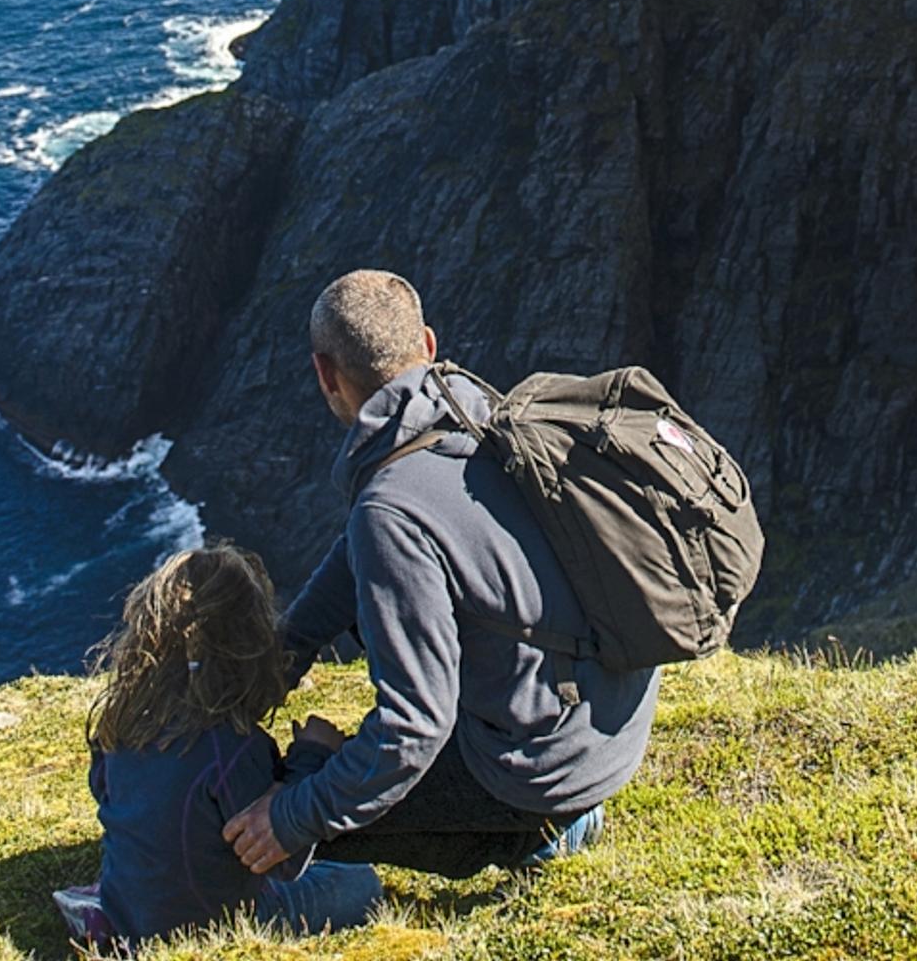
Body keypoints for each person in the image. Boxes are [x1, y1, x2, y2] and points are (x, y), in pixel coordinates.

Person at [224, 270, 655, 881]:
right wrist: (283, 657)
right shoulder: (485, 420)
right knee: (333, 788)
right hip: (610, 722)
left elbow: (412, 727)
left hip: (548, 771)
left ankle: (545, 835)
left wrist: (293, 815)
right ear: (427, 345)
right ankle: (561, 810)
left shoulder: (390, 507)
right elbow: (359, 554)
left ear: (326, 375)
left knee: (295, 818)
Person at [72, 544, 383, 946]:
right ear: (250, 643)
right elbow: (282, 858)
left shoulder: (123, 724)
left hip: (127, 909)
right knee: (361, 883)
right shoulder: (232, 748)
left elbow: (104, 792)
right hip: (210, 927)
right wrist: (312, 755)